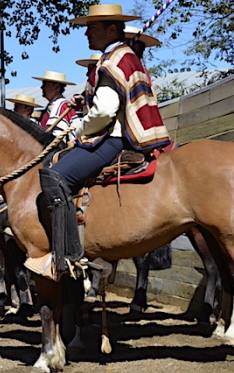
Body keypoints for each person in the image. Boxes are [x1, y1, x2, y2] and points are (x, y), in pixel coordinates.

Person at [37, 4, 171, 273]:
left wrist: (78, 131)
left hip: (114, 138)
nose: (87, 34)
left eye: (93, 28)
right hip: (121, 135)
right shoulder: (122, 56)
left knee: (53, 177)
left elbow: (104, 111)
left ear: (112, 30)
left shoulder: (114, 60)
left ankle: (69, 255)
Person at [32, 71, 79, 142]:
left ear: (56, 87)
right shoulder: (50, 108)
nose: (41, 87)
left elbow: (58, 139)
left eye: (45, 84)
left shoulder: (64, 107)